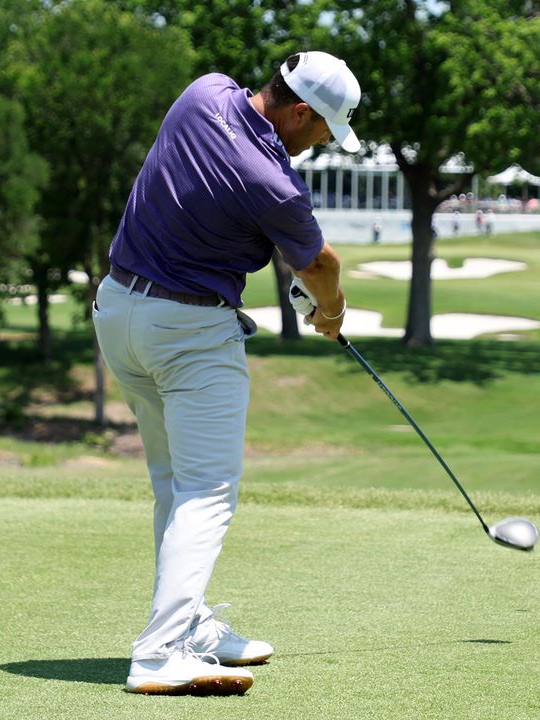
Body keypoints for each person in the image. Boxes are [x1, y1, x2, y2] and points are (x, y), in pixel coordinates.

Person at [93, 51, 359, 696]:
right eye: (325, 129)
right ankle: (159, 654)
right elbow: (318, 263)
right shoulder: (275, 185)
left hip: (118, 311)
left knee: (174, 484)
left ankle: (192, 627)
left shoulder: (202, 92)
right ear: (301, 112)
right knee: (207, 492)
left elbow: (220, 180)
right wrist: (332, 311)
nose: (324, 142)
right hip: (188, 333)